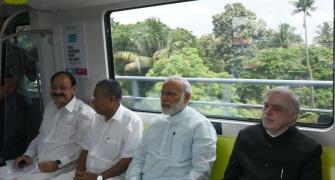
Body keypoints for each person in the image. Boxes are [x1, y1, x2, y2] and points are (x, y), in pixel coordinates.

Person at [0, 71, 95, 180]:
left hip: (58, 169)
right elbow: (41, 135)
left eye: (62, 88)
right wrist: (28, 155)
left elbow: (84, 149)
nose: (57, 91)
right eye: (54, 87)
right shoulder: (51, 107)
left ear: (73, 89)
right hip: (35, 162)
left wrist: (58, 163)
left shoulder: (84, 114)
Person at [126, 76, 217, 180]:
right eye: (162, 93)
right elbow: (138, 159)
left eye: (170, 94)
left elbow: (201, 172)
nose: (164, 98)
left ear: (186, 97)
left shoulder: (200, 125)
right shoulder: (155, 123)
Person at [223, 86, 322, 180]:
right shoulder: (245, 135)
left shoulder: (309, 150)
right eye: (265, 106)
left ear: (293, 116)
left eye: (277, 109)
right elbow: (229, 177)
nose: (267, 112)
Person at [55, 79, 143, 180]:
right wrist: (78, 173)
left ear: (111, 99)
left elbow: (127, 160)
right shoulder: (95, 118)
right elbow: (85, 149)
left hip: (110, 177)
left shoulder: (132, 122)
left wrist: (98, 177)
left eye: (97, 98)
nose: (92, 102)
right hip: (88, 174)